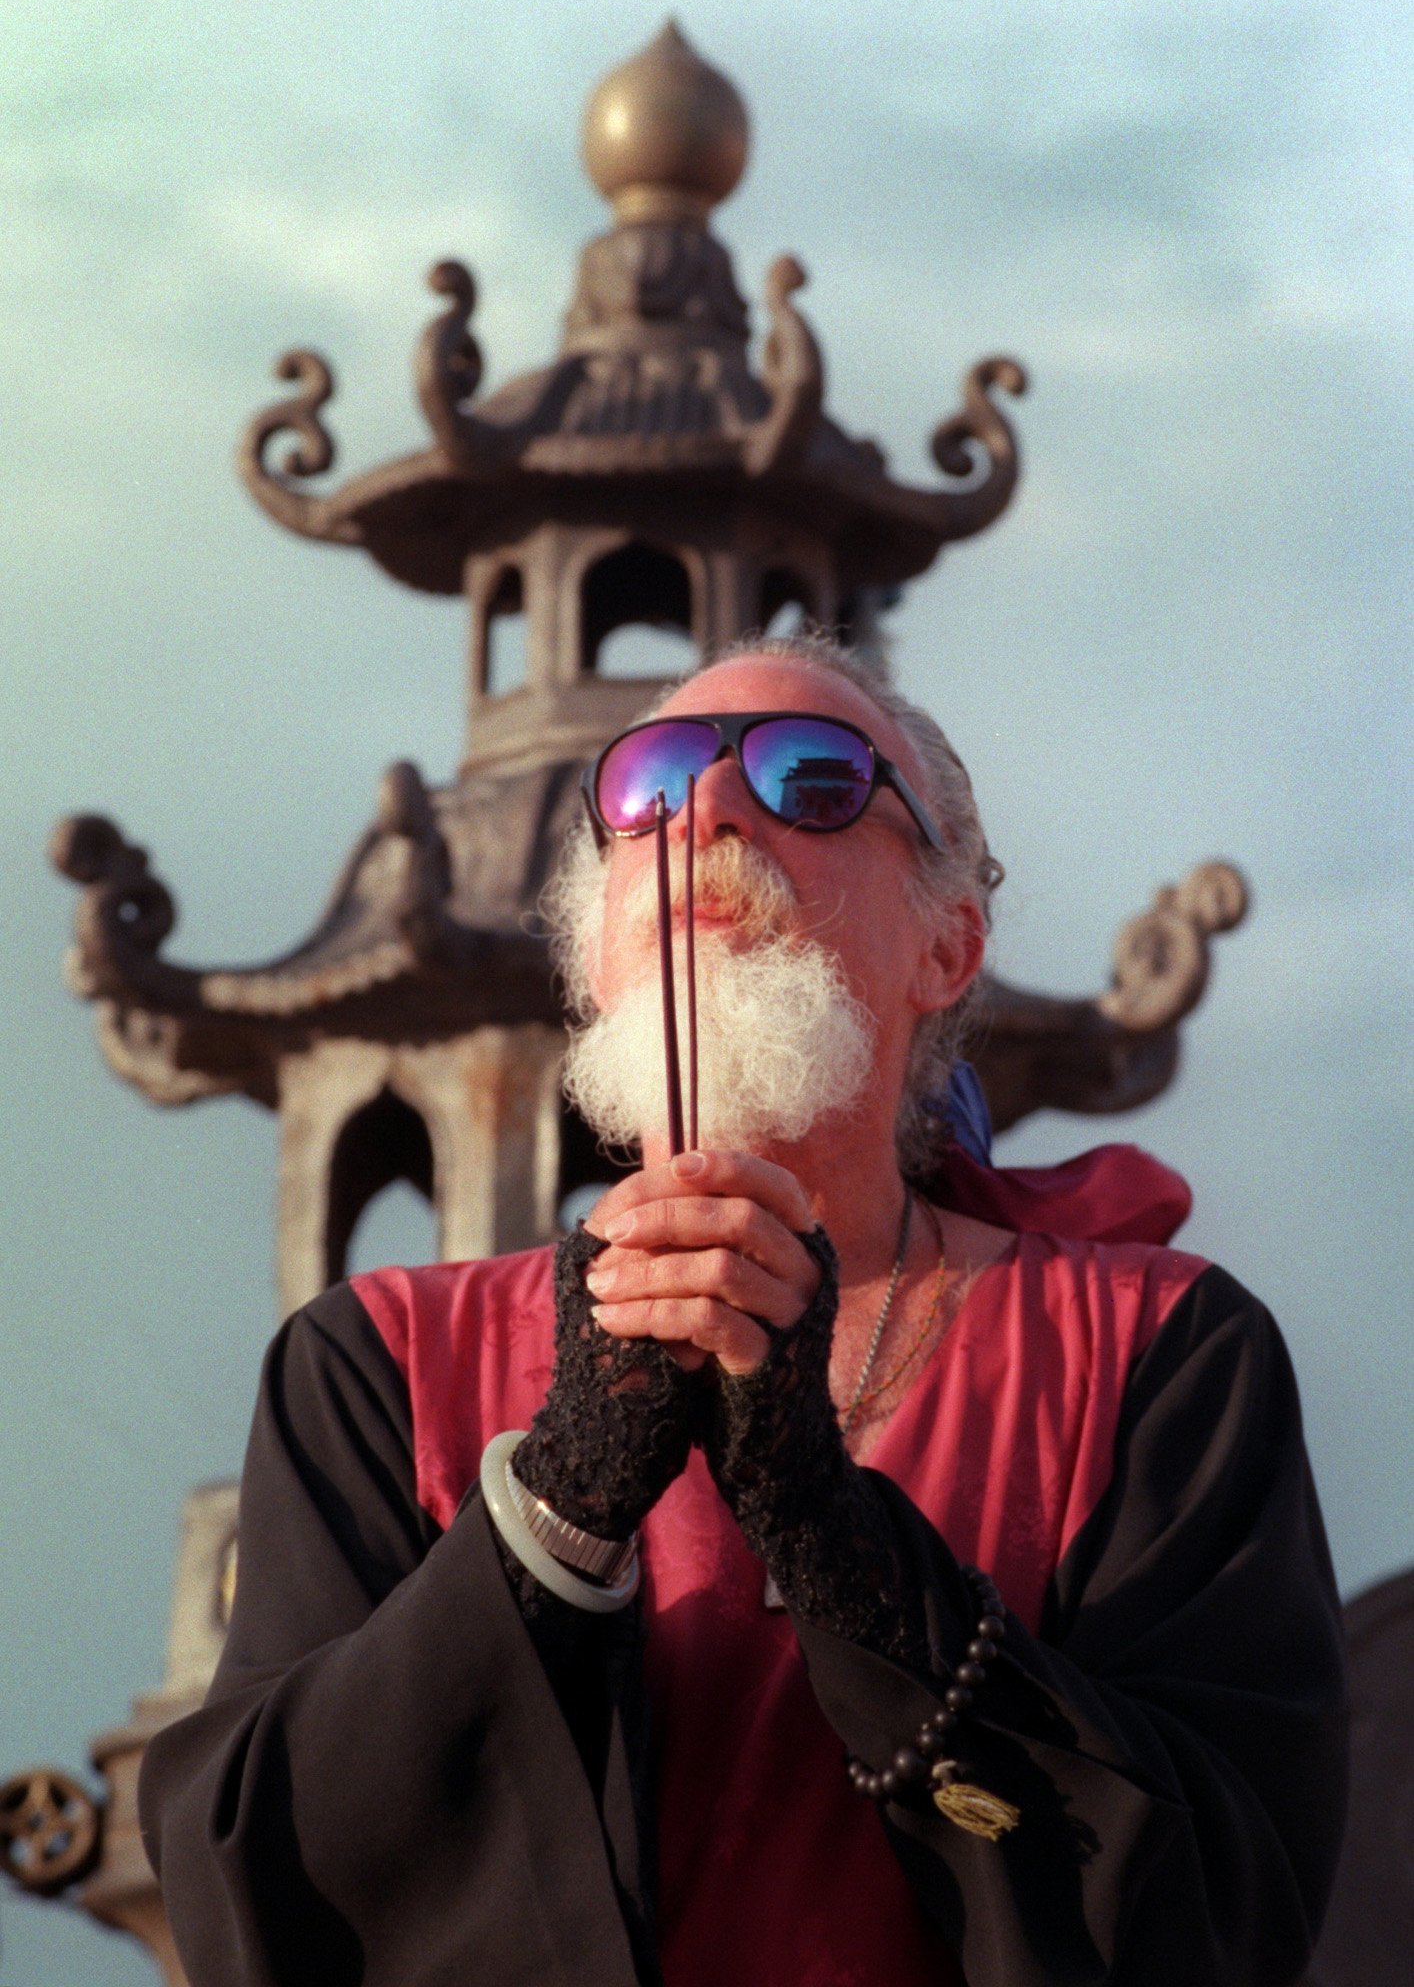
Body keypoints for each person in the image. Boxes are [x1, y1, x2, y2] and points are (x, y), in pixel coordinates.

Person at [139, 636, 1347, 1987]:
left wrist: (828, 1531)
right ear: (595, 949)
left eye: (812, 778)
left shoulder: (1147, 1349)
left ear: (948, 945)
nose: (706, 808)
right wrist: (560, 1506)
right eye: (648, 782)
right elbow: (256, 1906)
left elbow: (1220, 1915)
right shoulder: (381, 1360)